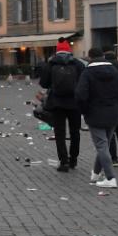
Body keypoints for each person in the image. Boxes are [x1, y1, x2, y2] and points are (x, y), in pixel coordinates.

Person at [76, 48, 118, 188]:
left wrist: (84, 110)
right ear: (103, 56)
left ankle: (110, 178)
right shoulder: (115, 72)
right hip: (113, 113)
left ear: (90, 57)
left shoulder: (87, 73)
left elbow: (80, 95)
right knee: (104, 144)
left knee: (102, 146)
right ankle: (96, 173)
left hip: (95, 113)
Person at [40, 41, 85, 172]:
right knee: (75, 132)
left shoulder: (51, 63)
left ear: (57, 50)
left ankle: (64, 162)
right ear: (69, 50)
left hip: (57, 103)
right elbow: (84, 82)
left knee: (60, 133)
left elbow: (43, 83)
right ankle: (73, 160)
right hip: (75, 103)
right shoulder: (78, 63)